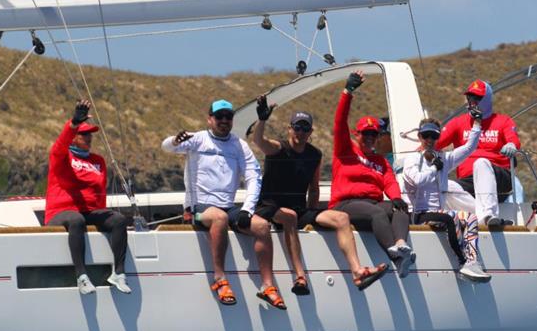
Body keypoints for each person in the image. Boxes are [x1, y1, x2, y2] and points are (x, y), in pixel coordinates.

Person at [252, 96, 388, 292]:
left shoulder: (314, 154)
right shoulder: (278, 148)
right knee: (289, 217)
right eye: (297, 127)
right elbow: (259, 140)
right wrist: (262, 120)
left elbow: (314, 189)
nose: (301, 132)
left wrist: (313, 215)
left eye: (305, 128)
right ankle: (300, 277)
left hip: (299, 209)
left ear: (310, 132)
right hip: (269, 207)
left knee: (341, 218)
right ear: (290, 129)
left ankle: (357, 271)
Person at [161, 99, 286, 310]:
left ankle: (267, 285)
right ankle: (219, 279)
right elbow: (166, 147)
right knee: (219, 217)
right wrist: (174, 140)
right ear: (210, 119)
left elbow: (254, 176)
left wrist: (247, 209)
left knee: (262, 226)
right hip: (198, 209)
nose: (224, 121)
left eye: (228, 117)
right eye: (219, 117)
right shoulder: (196, 139)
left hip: (229, 207)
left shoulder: (239, 145)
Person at [330, 71, 415, 278]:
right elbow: (340, 123)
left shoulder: (381, 161)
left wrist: (396, 198)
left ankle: (401, 246)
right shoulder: (345, 149)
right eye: (365, 134)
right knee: (377, 212)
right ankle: (393, 253)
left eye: (373, 134)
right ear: (356, 134)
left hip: (372, 203)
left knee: (400, 208)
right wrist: (347, 91)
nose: (369, 138)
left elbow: (390, 181)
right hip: (346, 204)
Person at [45, 99, 131, 295]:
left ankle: (118, 273)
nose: (89, 137)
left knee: (117, 220)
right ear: (74, 137)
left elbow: (99, 193)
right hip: (61, 212)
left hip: (89, 211)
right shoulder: (62, 156)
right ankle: (81, 276)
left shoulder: (98, 161)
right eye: (84, 134)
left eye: (90, 134)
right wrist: (73, 124)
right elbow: (59, 145)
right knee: (77, 220)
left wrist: (103, 219)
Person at [402, 116, 491, 282]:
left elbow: (469, 148)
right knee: (450, 218)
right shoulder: (412, 159)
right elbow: (418, 181)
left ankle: (472, 261)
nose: (430, 139)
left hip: (439, 212)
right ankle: (462, 261)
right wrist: (435, 168)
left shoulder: (444, 158)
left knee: (471, 217)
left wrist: (477, 124)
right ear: (420, 136)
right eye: (426, 135)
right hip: (420, 214)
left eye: (434, 136)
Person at [437, 79, 521, 227]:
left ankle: (488, 215)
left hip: (499, 178)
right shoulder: (458, 123)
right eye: (469, 98)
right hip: (469, 182)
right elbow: (434, 143)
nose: (472, 102)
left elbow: (514, 140)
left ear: (487, 99)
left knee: (481, 163)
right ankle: (485, 217)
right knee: (442, 185)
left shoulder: (503, 121)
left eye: (477, 98)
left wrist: (511, 145)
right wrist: (411, 157)